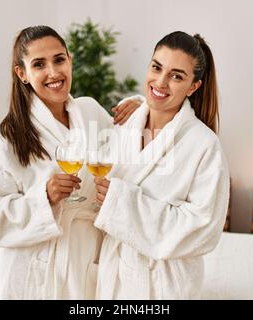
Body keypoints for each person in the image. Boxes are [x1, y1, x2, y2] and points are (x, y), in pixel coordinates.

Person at [0, 25, 139, 299]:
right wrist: (43, 198)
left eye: (59, 59)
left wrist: (140, 107)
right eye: (39, 64)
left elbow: (132, 146)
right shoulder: (10, 135)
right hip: (32, 270)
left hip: (83, 261)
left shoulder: (89, 111)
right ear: (22, 74)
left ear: (70, 60)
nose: (53, 72)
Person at [93, 31, 230, 299]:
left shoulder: (204, 145)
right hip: (113, 276)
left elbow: (203, 229)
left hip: (163, 286)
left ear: (193, 87)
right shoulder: (123, 123)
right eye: (156, 67)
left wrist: (120, 201)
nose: (161, 81)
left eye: (176, 76)